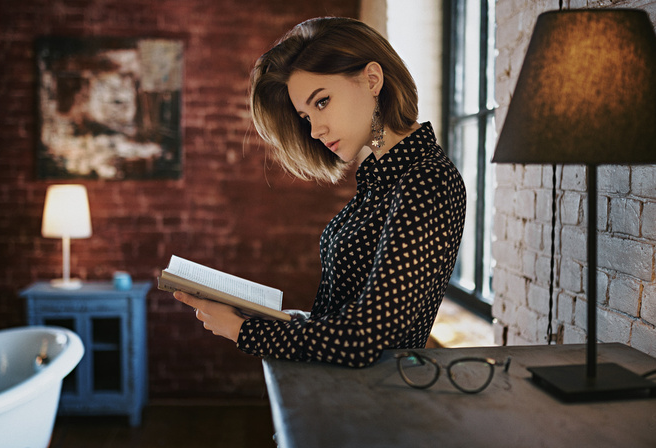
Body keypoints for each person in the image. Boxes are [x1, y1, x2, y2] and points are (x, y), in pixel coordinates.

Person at [174, 17, 466, 368]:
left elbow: (364, 339)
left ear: (372, 79)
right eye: (306, 116)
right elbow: (346, 316)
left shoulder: (426, 180)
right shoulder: (382, 178)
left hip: (372, 405)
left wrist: (243, 332)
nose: (315, 130)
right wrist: (271, 318)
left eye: (322, 102)